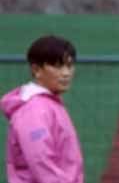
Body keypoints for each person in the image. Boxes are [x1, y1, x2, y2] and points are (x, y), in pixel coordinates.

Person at [2, 35, 84, 183]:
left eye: (69, 65)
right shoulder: (34, 110)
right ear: (36, 69)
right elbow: (41, 161)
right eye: (57, 66)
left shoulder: (49, 105)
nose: (66, 73)